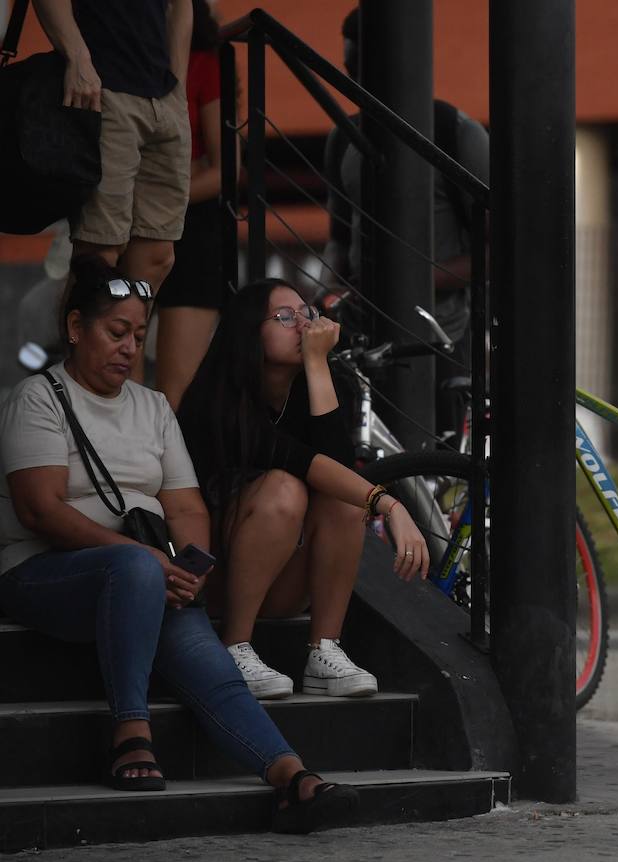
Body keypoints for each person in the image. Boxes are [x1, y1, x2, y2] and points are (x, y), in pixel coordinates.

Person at [0, 256, 357, 832]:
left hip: (142, 573)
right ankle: (130, 733)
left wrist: (190, 567)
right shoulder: (37, 397)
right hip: (45, 571)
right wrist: (143, 558)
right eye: (116, 332)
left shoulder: (153, 405)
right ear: (74, 328)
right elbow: (39, 508)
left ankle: (291, 775)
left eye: (139, 336)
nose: (129, 348)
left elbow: (186, 505)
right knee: (136, 571)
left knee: (208, 663)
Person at [177, 279, 429, 700]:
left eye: (307, 314)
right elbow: (301, 462)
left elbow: (339, 472)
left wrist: (318, 367)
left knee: (343, 498)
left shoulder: (317, 386)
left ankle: (324, 650)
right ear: (249, 332)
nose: (304, 325)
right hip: (211, 584)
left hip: (282, 586)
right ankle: (234, 647)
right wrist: (392, 506)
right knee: (285, 488)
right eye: (285, 317)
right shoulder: (218, 397)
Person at [323, 6, 490, 435]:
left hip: (445, 335)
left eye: (363, 67)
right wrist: (330, 297)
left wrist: (414, 278)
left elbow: (501, 248)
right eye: (348, 68)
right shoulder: (344, 136)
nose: (353, 80)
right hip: (363, 332)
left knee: (444, 459)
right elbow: (339, 238)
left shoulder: (455, 132)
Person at [32, 0, 194, 381]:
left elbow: (181, 6)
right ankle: (81, 388)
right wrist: (78, 57)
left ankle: (121, 390)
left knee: (156, 255)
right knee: (99, 256)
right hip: (105, 87)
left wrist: (177, 87)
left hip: (162, 94)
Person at [154, 0, 230, 410]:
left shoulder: (205, 63)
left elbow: (226, 170)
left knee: (176, 391)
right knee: (111, 374)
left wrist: (161, 200)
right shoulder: (111, 57)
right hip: (128, 216)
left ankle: (178, 474)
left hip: (188, 221)